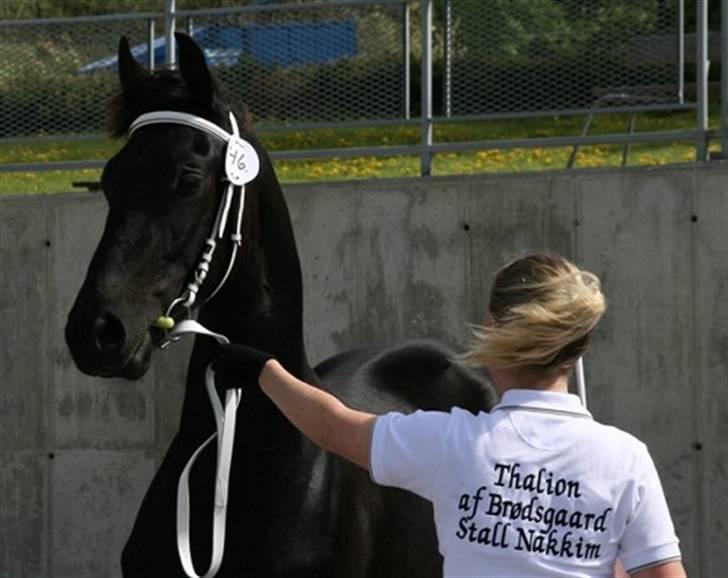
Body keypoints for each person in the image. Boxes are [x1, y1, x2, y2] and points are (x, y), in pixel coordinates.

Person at [213, 253, 686, 578]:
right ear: (578, 345)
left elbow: (333, 427)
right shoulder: (628, 459)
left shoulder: (453, 443)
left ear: (496, 329)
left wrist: (260, 369)